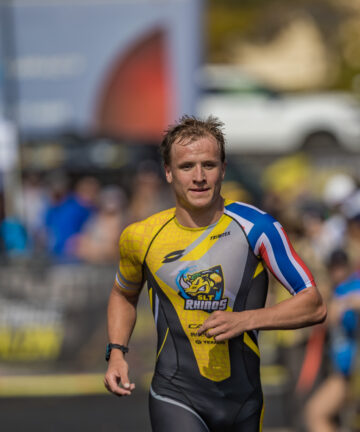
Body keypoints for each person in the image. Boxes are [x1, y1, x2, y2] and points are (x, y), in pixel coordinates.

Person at [104, 115, 327, 431]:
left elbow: (314, 303)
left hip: (242, 401)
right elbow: (123, 294)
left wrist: (246, 319)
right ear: (168, 172)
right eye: (186, 167)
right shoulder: (141, 236)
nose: (198, 177)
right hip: (175, 393)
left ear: (223, 169)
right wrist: (116, 353)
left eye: (208, 165)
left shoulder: (257, 227)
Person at [305, 250, 360, 432]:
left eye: (341, 267)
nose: (337, 272)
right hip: (342, 372)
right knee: (315, 414)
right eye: (333, 268)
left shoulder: (358, 284)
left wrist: (345, 303)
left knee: (320, 414)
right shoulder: (331, 291)